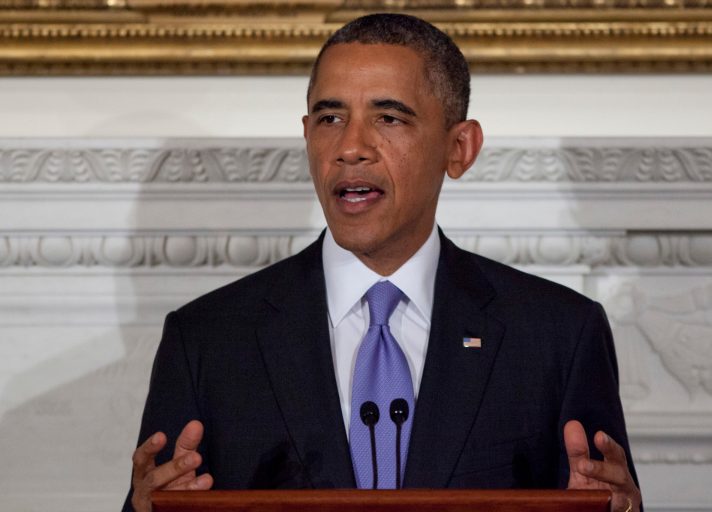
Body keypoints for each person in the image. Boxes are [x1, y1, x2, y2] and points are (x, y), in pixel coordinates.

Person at [125, 13, 642, 512]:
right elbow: (163, 496)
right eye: (330, 118)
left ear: (459, 148)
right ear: (307, 136)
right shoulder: (207, 340)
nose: (351, 147)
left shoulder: (558, 334)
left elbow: (604, 497)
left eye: (388, 118)